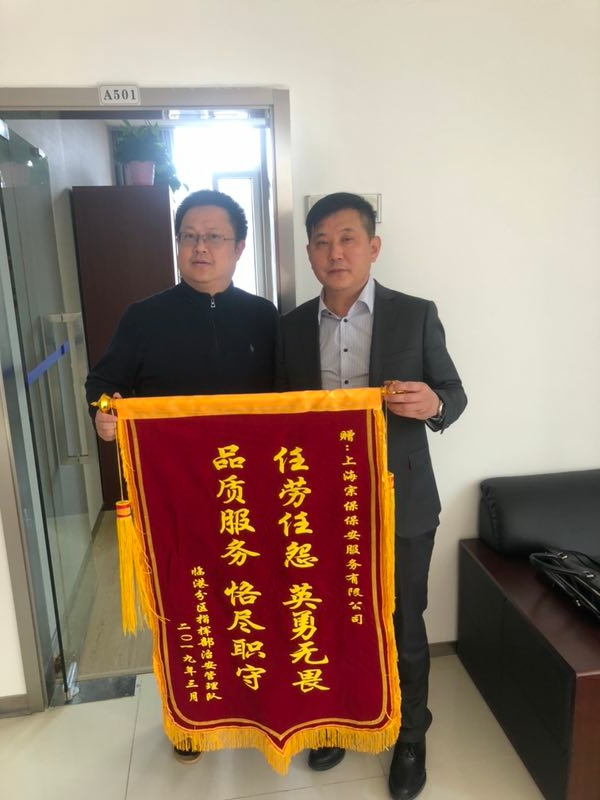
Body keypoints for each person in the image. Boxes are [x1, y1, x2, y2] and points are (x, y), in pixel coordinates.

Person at [277, 192, 467, 800]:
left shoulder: (415, 314)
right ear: (310, 254)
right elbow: (273, 416)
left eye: (348, 239)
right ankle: (337, 721)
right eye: (322, 242)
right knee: (329, 618)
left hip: (401, 499)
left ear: (373, 246)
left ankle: (410, 736)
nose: (335, 252)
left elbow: (454, 393)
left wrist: (433, 404)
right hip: (319, 505)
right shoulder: (289, 327)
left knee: (403, 621)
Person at [85, 188, 279, 762]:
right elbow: (103, 384)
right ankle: (190, 715)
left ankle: (258, 703)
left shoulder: (264, 316)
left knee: (252, 599)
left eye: (214, 237)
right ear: (176, 245)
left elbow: (293, 398)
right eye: (189, 236)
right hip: (171, 495)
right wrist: (105, 414)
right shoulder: (143, 317)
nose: (200, 247)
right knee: (185, 605)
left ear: (238, 247)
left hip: (249, 492)